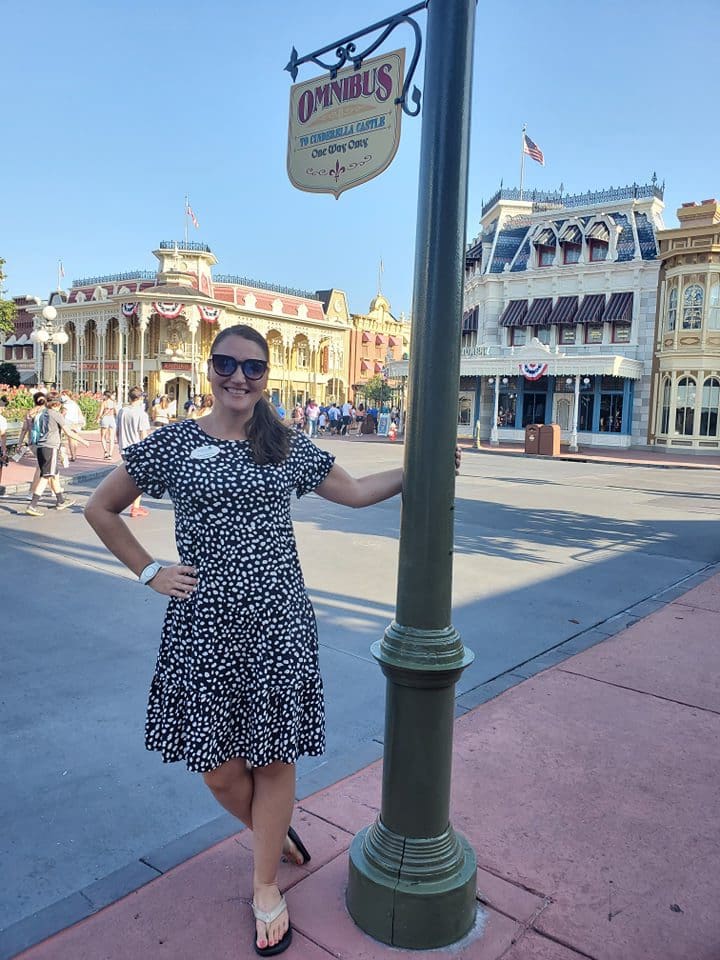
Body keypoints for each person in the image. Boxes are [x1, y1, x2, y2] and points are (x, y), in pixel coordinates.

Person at [84, 324, 461, 957]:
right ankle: (275, 832)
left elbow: (357, 492)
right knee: (218, 771)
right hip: (201, 625)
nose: (238, 377)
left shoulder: (283, 445)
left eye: (252, 368)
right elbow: (101, 507)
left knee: (272, 757)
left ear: (267, 377)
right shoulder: (173, 443)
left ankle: (265, 884)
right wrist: (149, 570)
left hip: (277, 620)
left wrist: (418, 464)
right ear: (210, 370)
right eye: (226, 364)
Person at [25, 393, 89, 517]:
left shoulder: (41, 413)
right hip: (51, 447)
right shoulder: (56, 415)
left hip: (41, 447)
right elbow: (68, 432)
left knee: (54, 475)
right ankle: (33, 505)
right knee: (46, 476)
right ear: (58, 404)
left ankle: (60, 500)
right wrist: (83, 441)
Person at [116, 386, 151, 518]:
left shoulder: (122, 411)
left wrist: (119, 444)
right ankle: (135, 507)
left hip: (124, 447)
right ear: (141, 397)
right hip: (137, 448)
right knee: (138, 480)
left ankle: (129, 504)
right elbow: (143, 434)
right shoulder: (141, 414)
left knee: (130, 477)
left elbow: (118, 431)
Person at [60, 391, 86, 461]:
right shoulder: (74, 403)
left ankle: (73, 456)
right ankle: (74, 454)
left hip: (68, 422)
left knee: (70, 439)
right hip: (76, 422)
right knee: (74, 439)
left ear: (65, 395)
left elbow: (63, 413)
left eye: (62, 395)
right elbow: (79, 412)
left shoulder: (65, 404)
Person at [99, 391, 118, 460]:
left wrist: (98, 418)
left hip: (105, 419)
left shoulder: (104, 403)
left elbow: (100, 412)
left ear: (106, 396)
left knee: (103, 437)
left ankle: (105, 452)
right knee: (111, 437)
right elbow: (116, 412)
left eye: (104, 395)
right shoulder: (113, 403)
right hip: (112, 419)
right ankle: (110, 454)